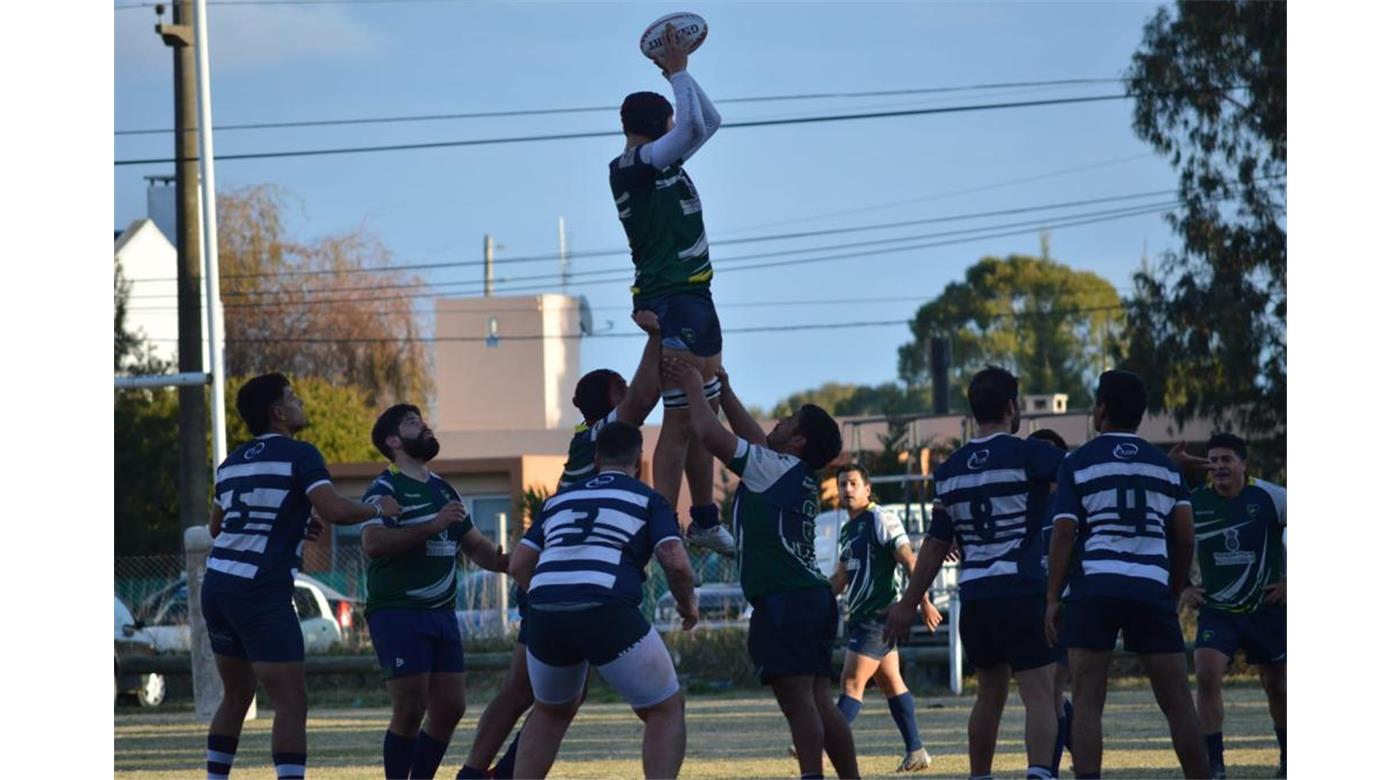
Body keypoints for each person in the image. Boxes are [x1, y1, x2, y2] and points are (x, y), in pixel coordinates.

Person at [455, 313, 662, 779]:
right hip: (569, 576)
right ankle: (480, 772)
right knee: (532, 692)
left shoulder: (584, 440)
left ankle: (486, 772)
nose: (630, 393)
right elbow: (647, 394)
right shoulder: (603, 434)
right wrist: (657, 336)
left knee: (547, 694)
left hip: (554, 574)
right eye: (621, 387)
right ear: (610, 399)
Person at [664, 360, 857, 780]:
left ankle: (811, 776)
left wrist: (693, 387)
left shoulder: (772, 468)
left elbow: (710, 435)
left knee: (798, 703)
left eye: (789, 420)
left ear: (798, 440)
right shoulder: (791, 472)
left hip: (788, 601)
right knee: (820, 701)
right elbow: (755, 438)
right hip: (811, 597)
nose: (780, 420)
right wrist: (726, 391)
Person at [202, 373, 402, 780]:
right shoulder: (300, 454)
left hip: (217, 585)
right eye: (292, 398)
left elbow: (217, 528)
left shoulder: (231, 462)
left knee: (237, 695)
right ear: (278, 413)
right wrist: (379, 508)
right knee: (291, 700)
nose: (301, 403)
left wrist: (290, 525)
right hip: (259, 590)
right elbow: (335, 511)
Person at [886, 367, 1065, 780]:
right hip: (1022, 589)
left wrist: (908, 603)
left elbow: (934, 545)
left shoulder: (950, 470)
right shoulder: (1030, 454)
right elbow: (1084, 474)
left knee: (988, 694)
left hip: (977, 598)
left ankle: (980, 775)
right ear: (1011, 407)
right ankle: (1040, 772)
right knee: (1039, 694)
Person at [509, 422, 700, 779]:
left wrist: (549, 596)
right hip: (606, 606)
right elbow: (675, 560)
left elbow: (519, 563)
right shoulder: (648, 499)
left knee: (549, 711)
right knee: (664, 709)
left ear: (596, 460)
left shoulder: (559, 500)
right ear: (639, 459)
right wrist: (687, 604)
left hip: (545, 611)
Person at [1043, 370, 1210, 779]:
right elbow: (1186, 538)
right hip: (1151, 588)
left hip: (1094, 589)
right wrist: (1173, 587)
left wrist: (1052, 598)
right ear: (1141, 415)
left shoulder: (1077, 462)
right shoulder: (1166, 468)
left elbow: (1064, 533)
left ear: (1101, 410)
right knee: (1177, 702)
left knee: (1086, 702)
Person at [610, 24, 731, 556]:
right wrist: (679, 73)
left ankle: (703, 518)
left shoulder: (664, 159)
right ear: (658, 126)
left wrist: (682, 76)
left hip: (698, 297)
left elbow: (708, 123)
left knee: (703, 411)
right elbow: (686, 132)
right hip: (672, 298)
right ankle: (660, 525)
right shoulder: (630, 167)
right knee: (679, 419)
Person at [360, 404, 511, 780]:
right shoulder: (385, 486)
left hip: (442, 614)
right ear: (393, 441)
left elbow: (475, 546)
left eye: (423, 421)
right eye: (413, 423)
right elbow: (373, 542)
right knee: (410, 708)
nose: (424, 426)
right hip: (398, 610)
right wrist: (432, 524)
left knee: (450, 708)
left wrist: (511, 562)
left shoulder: (444, 488)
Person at [1179, 433, 1286, 779]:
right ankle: (1215, 765)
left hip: (1266, 608)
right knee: (1207, 673)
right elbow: (1173, 543)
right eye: (1213, 460)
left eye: (1227, 459)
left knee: (1278, 686)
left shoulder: (1271, 497)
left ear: (1243, 464)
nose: (1219, 466)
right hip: (1218, 609)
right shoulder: (1195, 502)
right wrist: (1183, 585)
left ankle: (1289, 758)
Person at [829, 464, 941, 773]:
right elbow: (841, 578)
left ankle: (821, 742)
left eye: (853, 483)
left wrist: (923, 602)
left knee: (851, 683)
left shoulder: (882, 518)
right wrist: (816, 601)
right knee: (893, 684)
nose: (847, 490)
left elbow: (910, 560)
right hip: (860, 616)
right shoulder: (847, 530)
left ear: (867, 489)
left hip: (878, 617)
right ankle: (916, 750)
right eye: (842, 485)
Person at [1028, 428, 1074, 779]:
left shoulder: (1073, 501)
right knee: (1048, 690)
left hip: (1068, 603)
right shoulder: (1028, 501)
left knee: (1054, 683)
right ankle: (1072, 747)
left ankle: (1049, 771)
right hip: (1033, 603)